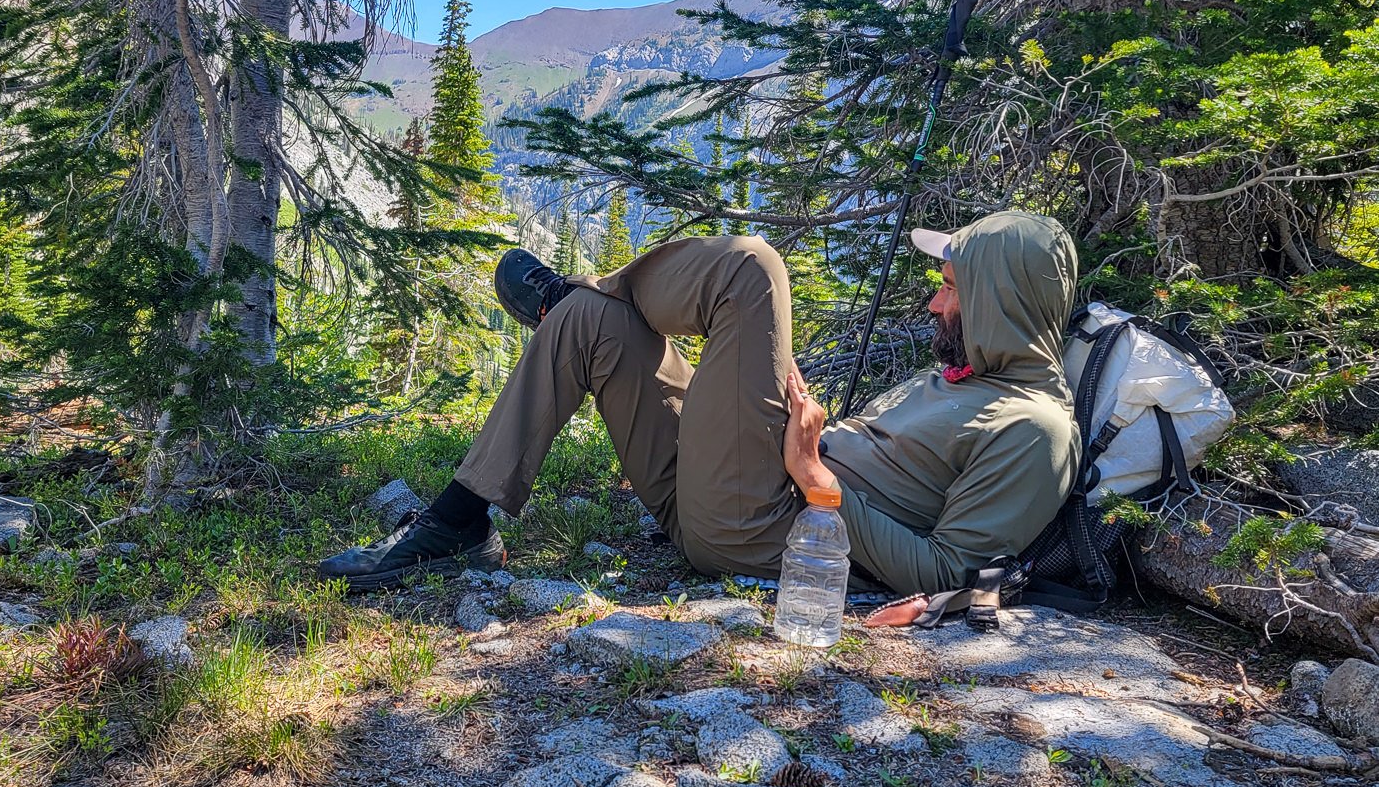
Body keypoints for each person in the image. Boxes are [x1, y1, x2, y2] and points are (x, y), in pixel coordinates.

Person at [319, 210, 1081, 598]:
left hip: (767, 529)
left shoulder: (1033, 431)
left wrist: (818, 480)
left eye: (950, 287)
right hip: (741, 491)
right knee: (594, 327)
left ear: (999, 304)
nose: (931, 301)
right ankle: (460, 520)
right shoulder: (972, 375)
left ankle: (563, 291)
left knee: (752, 269)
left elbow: (949, 574)